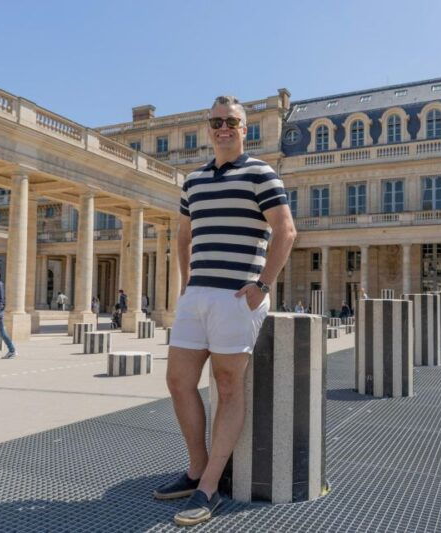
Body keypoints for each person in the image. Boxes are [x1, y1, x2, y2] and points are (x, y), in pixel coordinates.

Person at [155, 96, 296, 526]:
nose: (223, 128)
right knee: (178, 382)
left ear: (244, 129)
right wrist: (185, 282)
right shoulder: (193, 180)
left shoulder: (261, 173)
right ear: (208, 127)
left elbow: (286, 230)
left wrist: (262, 285)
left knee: (228, 385)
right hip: (197, 295)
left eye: (231, 122)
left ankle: (210, 486)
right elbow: (184, 236)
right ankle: (195, 468)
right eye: (216, 121)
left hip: (237, 297)